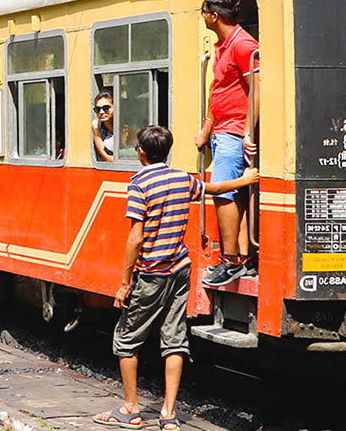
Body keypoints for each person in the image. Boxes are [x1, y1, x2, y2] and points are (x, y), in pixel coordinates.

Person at [93, 126, 257, 431]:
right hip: (180, 270)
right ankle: (168, 415)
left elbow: (135, 238)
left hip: (151, 273)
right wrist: (245, 180)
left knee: (126, 339)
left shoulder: (139, 184)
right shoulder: (182, 179)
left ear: (141, 152)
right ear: (166, 151)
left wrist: (125, 284)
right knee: (175, 340)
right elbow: (215, 189)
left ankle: (130, 409)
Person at [195, 0, 260, 286]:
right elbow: (218, 89)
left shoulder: (243, 45)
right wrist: (207, 127)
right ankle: (242, 258)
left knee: (223, 193)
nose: (202, 16)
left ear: (214, 16)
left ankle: (230, 260)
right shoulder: (223, 45)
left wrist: (247, 132)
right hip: (221, 130)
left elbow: (257, 90)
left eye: (203, 12)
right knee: (234, 196)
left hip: (233, 131)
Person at [92, 92, 115, 162]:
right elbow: (106, 157)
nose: (101, 112)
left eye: (106, 108)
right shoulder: (96, 125)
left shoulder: (126, 126)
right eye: (97, 109)